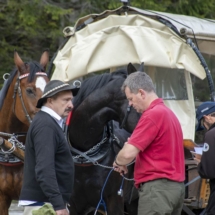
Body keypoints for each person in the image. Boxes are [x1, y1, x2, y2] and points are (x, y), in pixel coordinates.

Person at [113, 71, 185, 215]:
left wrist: (118, 161)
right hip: (175, 189)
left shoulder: (152, 115)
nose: (130, 104)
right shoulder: (169, 114)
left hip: (157, 191)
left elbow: (127, 155)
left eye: (131, 99)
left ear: (141, 93)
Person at [19, 80, 79, 215]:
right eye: (66, 100)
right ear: (50, 101)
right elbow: (44, 169)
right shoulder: (46, 125)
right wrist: (58, 205)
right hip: (43, 205)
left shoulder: (48, 122)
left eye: (71, 100)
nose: (71, 105)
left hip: (47, 203)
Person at [196, 101, 215, 215]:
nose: (204, 127)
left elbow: (209, 172)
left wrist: (199, 162)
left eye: (202, 123)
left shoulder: (211, 135)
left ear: (206, 118)